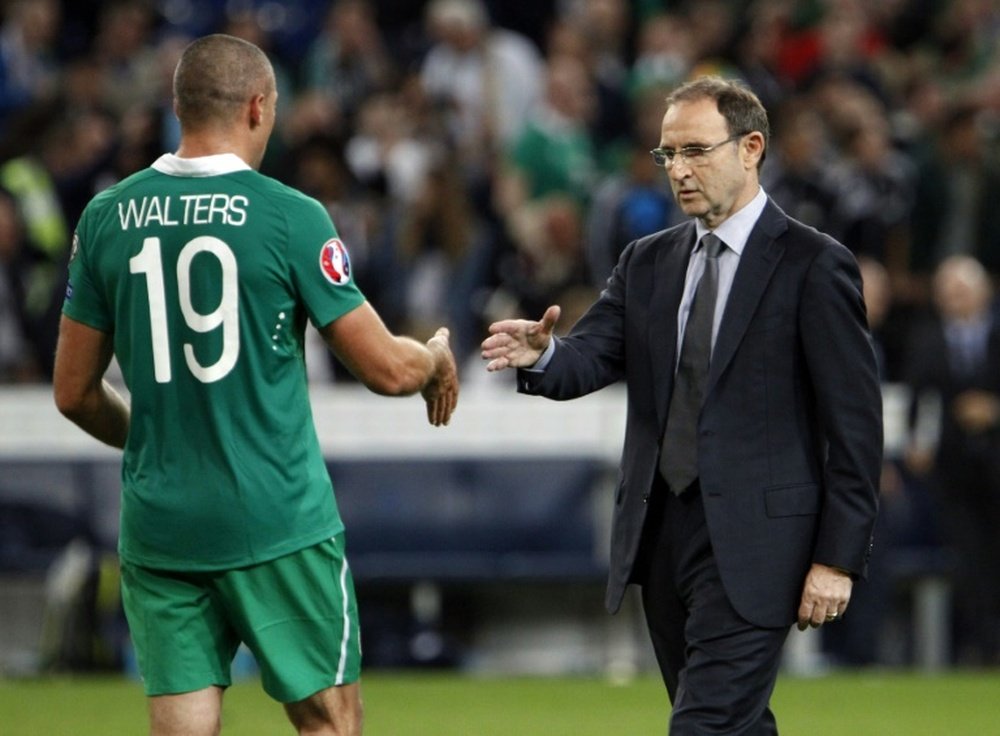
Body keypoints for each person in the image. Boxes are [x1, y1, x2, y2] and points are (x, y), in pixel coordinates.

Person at [52, 34, 458, 736]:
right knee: (328, 722)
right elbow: (386, 369)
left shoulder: (106, 217)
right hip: (276, 519)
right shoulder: (289, 216)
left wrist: (154, 437)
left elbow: (73, 392)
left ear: (179, 107)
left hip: (161, 525)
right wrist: (435, 359)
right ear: (259, 107)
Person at [482, 76, 881, 733]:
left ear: (751, 147)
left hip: (759, 542)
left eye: (696, 150)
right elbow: (591, 356)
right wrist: (542, 355)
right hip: (661, 533)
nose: (679, 170)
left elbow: (857, 426)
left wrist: (837, 558)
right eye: (668, 155)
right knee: (733, 724)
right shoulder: (649, 261)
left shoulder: (814, 264)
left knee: (703, 725)